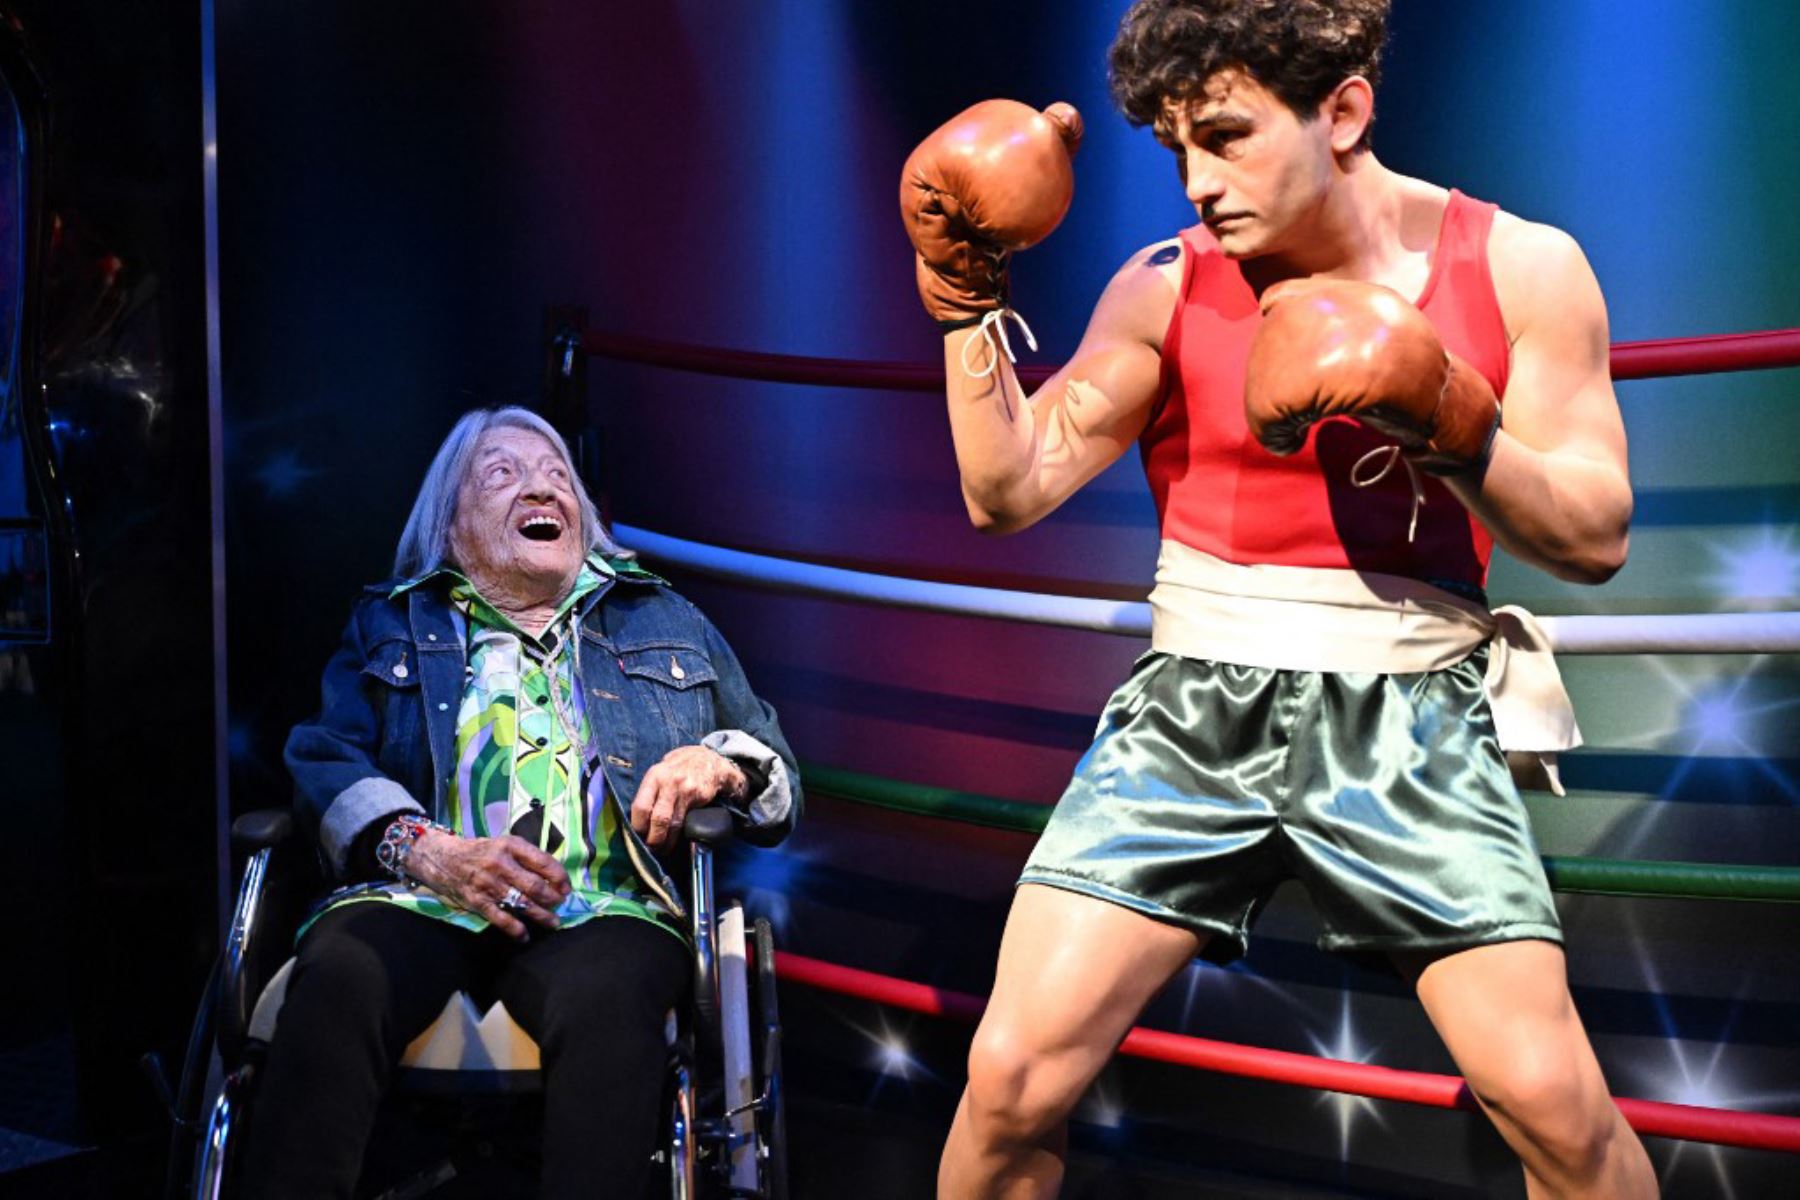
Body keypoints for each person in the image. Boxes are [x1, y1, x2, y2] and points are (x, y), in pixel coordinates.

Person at [899, 2, 1655, 1197]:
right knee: (1012, 1079)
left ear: (1344, 109)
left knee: (1555, 1108)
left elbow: (1598, 533)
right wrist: (961, 292)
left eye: (1230, 138)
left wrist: (1448, 420)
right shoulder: (1165, 286)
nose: (1197, 183)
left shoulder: (1521, 266)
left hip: (1412, 717)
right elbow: (1007, 490)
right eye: (1176, 148)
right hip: (1192, 713)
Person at [239, 406, 800, 1198]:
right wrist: (427, 850)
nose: (541, 489)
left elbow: (776, 772)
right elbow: (323, 754)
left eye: (557, 476)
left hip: (603, 907)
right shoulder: (395, 618)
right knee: (341, 972)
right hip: (422, 896)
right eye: (502, 474)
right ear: (451, 523)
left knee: (614, 995)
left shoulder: (663, 616)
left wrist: (721, 765)